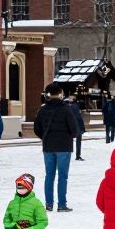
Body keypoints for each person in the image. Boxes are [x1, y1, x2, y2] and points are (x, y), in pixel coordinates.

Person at [34, 83, 79, 212]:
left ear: (48, 95)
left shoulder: (43, 109)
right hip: (64, 146)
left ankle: (48, 204)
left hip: (48, 146)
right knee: (63, 175)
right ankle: (61, 204)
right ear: (60, 94)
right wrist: (69, 136)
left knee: (49, 175)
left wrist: (45, 137)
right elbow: (74, 129)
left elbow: (37, 128)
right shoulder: (66, 109)